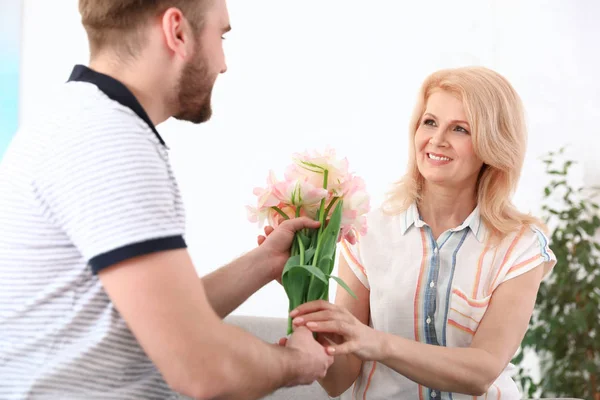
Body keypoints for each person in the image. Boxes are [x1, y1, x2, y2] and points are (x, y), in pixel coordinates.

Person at [0, 1, 333, 399]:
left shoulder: (77, 121)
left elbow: (159, 322)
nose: (224, 63)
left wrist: (265, 263)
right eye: (221, 36)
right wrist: (297, 363)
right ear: (177, 31)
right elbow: (202, 368)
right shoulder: (110, 142)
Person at [287, 66, 557, 399]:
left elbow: (482, 371)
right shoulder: (369, 232)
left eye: (460, 129)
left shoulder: (520, 246)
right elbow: (339, 380)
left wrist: (378, 342)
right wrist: (303, 299)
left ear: (492, 143)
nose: (437, 139)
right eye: (430, 122)